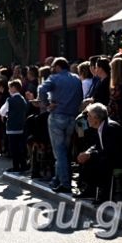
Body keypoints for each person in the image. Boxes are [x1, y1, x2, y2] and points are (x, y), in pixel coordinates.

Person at [76, 103, 122, 200]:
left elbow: (110, 151)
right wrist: (88, 153)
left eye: (89, 116)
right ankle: (90, 190)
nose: (87, 118)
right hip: (115, 157)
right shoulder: (101, 126)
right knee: (90, 159)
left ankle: (104, 195)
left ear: (97, 118)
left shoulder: (110, 128)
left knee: (102, 162)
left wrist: (90, 155)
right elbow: (97, 145)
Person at [38, 57, 83, 193]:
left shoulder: (54, 78)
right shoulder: (76, 78)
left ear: (57, 66)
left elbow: (41, 89)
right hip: (72, 116)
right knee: (65, 151)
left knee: (60, 152)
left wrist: (46, 105)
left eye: (53, 67)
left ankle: (65, 183)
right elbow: (80, 96)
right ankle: (58, 179)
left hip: (58, 115)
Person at [0, 79, 28, 173]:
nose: (8, 90)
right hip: (21, 127)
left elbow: (2, 112)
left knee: (14, 149)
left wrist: (8, 114)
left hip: (12, 128)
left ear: (13, 88)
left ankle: (16, 166)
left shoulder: (10, 100)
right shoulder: (23, 99)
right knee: (21, 148)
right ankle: (23, 165)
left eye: (9, 88)